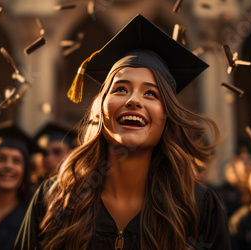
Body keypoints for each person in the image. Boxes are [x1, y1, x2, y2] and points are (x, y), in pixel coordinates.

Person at [14, 14, 230, 250]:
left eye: (151, 93)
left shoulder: (198, 208)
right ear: (101, 107)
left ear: (168, 116)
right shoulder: (54, 201)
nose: (133, 100)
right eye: (120, 89)